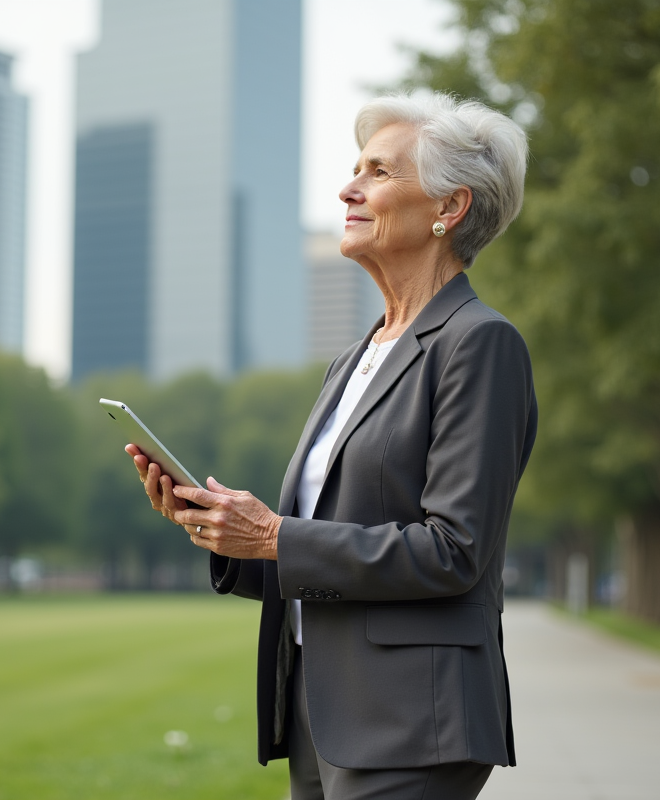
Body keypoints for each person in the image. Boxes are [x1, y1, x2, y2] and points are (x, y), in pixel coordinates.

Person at [127, 92, 536, 800]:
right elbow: (324, 555)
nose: (348, 189)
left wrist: (276, 536)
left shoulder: (479, 344)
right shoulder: (352, 360)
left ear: (450, 207)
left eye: (378, 172)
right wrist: (229, 536)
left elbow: (454, 551)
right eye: (354, 169)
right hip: (321, 710)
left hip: (413, 718)